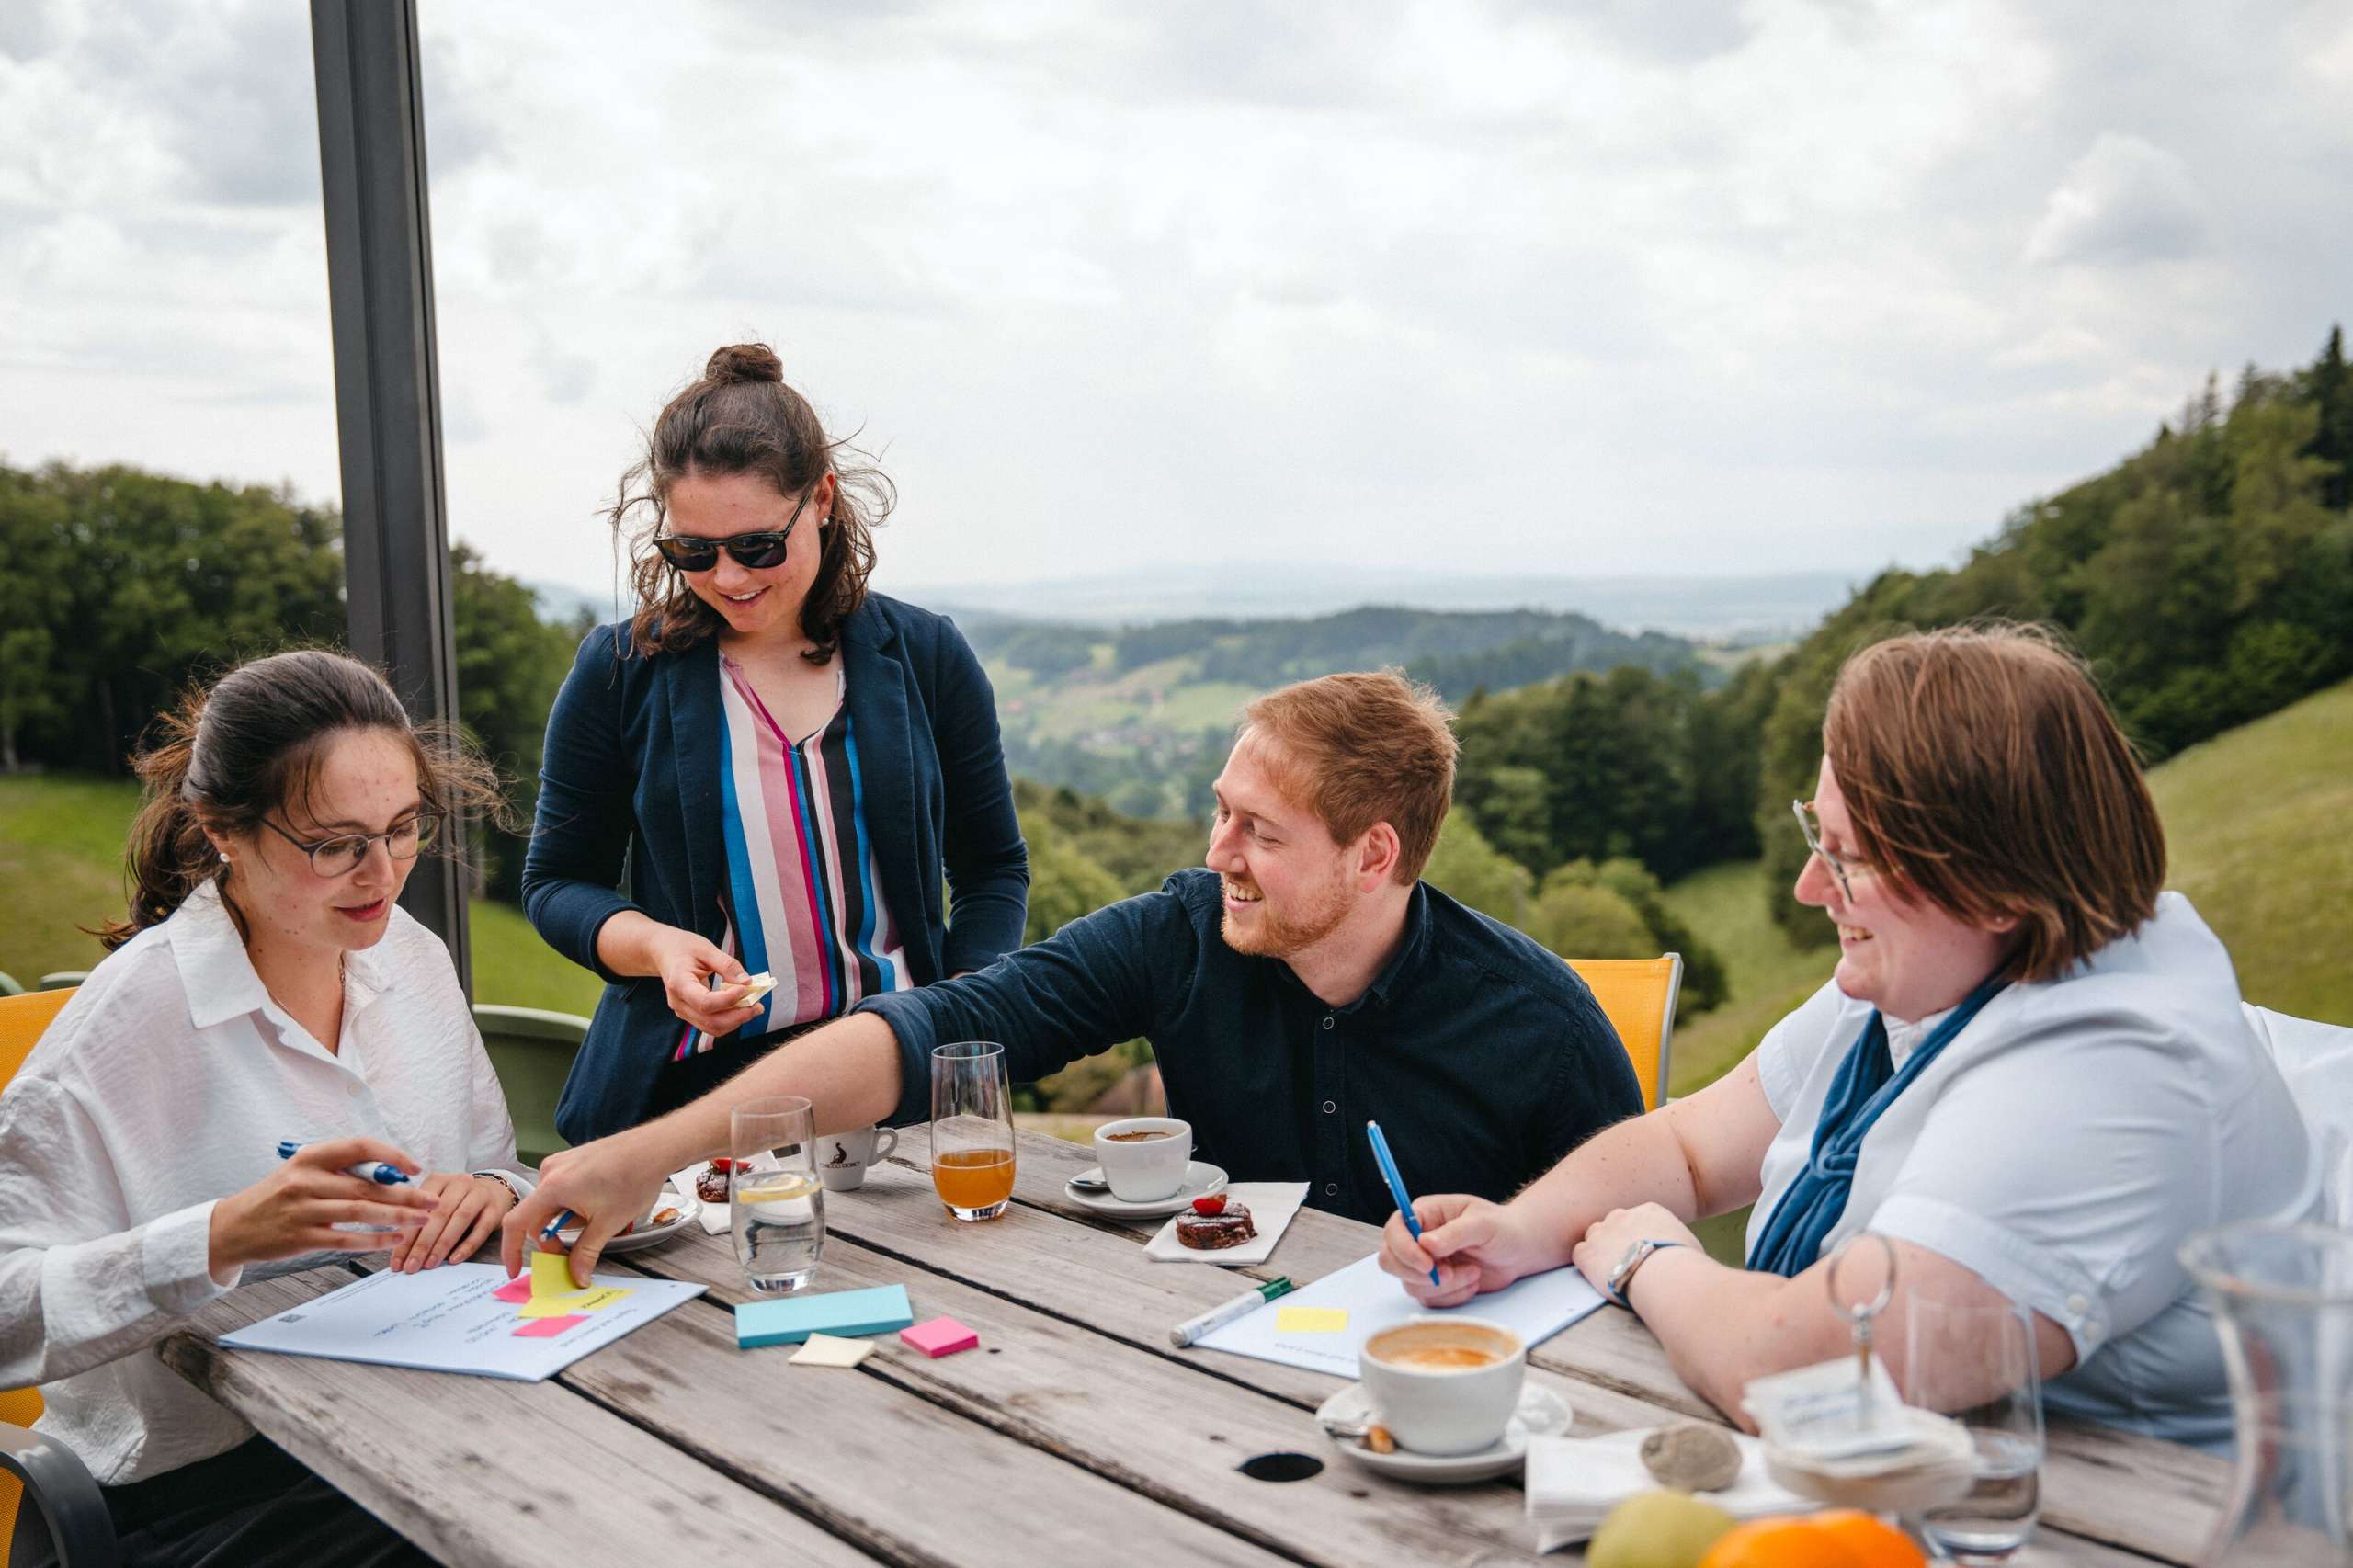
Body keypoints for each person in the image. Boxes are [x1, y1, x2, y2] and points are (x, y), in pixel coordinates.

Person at [1376, 624, 2324, 1449]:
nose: (1808, 887)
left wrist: (1645, 1258)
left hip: (2116, 1514)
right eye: (1815, 835)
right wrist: (1519, 1229)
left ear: (1994, 881)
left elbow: (1798, 1375)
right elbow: (1691, 1146)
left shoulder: (2109, 1080)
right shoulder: (1950, 960)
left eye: (1849, 856)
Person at [508, 670, 1642, 1279]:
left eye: (1258, 831)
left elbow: (1630, 1250)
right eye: (1218, 811)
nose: (1217, 854)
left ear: (1374, 853)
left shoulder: (1543, 1024)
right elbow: (931, 1029)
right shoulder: (1181, 933)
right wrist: (650, 1151)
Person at [0, 650, 535, 1565]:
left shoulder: (411, 958)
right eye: (333, 843)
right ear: (223, 829)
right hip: (197, 1503)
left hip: (413, 1427)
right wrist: (219, 1234)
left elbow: (495, 1165)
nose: (381, 874)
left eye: (402, 828)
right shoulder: (127, 1027)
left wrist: (489, 1185)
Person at [525, 342, 1029, 1145]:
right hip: (682, 1099)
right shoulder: (619, 672)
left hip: (894, 1078)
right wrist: (656, 947)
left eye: (758, 546)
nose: (729, 577)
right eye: (693, 551)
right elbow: (556, 884)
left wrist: (963, 1010)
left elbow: (992, 868)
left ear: (823, 498)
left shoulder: (927, 656)